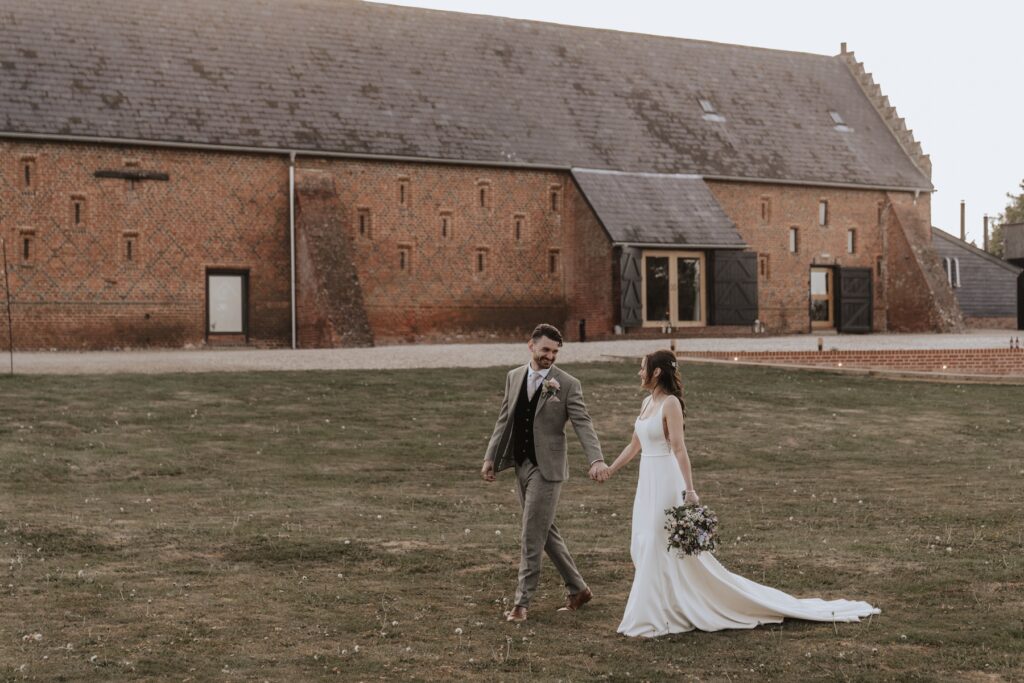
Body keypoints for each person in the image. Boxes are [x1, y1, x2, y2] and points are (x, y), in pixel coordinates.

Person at [602, 349, 880, 637]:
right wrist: (611, 469)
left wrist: (690, 490)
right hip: (646, 481)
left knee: (658, 542)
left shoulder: (670, 403)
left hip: (664, 480)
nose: (639, 372)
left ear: (657, 372)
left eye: (643, 367)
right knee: (643, 540)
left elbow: (679, 449)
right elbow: (635, 445)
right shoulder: (647, 402)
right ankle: (664, 604)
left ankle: (655, 613)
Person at [481, 323, 609, 623]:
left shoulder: (567, 384)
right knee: (544, 531)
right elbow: (504, 420)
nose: (550, 356)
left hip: (548, 470)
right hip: (521, 465)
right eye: (546, 350)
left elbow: (583, 424)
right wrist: (490, 457)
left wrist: (596, 460)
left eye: (555, 352)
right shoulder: (514, 377)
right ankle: (579, 589)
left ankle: (521, 603)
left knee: (531, 533)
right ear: (531, 346)